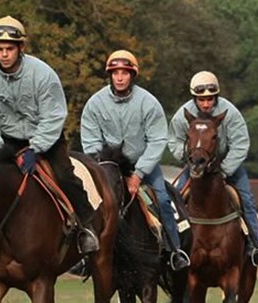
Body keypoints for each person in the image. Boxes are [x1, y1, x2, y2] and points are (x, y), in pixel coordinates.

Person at [0, 15, 98, 255]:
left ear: (21, 48)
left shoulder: (43, 74)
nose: (4, 54)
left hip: (45, 138)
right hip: (6, 141)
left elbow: (53, 116)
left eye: (9, 49)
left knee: (64, 176)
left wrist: (35, 148)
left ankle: (86, 227)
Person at [80, 50, 189, 270]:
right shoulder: (95, 103)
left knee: (162, 199)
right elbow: (90, 141)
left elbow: (157, 140)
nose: (120, 78)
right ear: (110, 76)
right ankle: (84, 256)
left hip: (143, 166)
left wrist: (138, 175)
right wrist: (101, 166)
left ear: (133, 75)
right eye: (115, 73)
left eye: (125, 73)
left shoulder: (148, 103)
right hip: (109, 167)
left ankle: (174, 250)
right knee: (86, 199)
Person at [167, 71, 258, 267]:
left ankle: (255, 246)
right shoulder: (183, 115)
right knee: (176, 199)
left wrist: (224, 170)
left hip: (226, 165)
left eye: (210, 99)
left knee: (246, 199)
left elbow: (240, 144)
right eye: (201, 100)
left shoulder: (230, 113)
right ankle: (175, 249)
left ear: (216, 97)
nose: (206, 104)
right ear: (194, 98)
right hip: (195, 164)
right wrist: (189, 158)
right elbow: (174, 141)